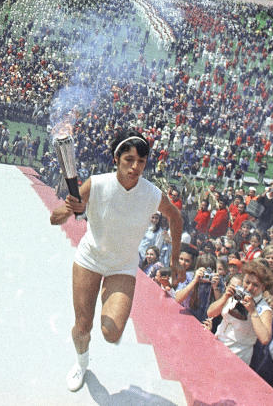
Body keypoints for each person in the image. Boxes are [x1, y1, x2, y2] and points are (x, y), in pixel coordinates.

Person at [49, 128, 183, 392]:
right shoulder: (97, 183)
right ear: (116, 159)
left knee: (112, 332)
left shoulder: (152, 194)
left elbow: (176, 217)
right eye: (129, 160)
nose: (135, 167)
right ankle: (81, 362)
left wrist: (176, 260)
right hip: (90, 259)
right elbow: (55, 218)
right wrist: (70, 208)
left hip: (122, 266)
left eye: (141, 162)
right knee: (83, 326)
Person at [207, 259, 273, 364]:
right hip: (217, 342)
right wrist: (225, 297)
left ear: (263, 286)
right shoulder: (237, 293)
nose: (250, 287)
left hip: (237, 355)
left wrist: (253, 312)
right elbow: (210, 313)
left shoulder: (264, 309)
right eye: (247, 282)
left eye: (255, 285)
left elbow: (265, 339)